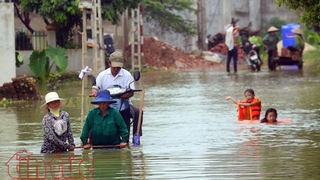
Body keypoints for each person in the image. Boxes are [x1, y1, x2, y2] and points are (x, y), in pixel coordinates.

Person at [90, 51, 143, 143]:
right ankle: (89, 138)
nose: (116, 69)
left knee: (139, 112)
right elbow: (95, 88)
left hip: (124, 102)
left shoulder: (127, 75)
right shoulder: (102, 75)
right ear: (109, 63)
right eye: (114, 67)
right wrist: (94, 92)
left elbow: (131, 92)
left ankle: (136, 137)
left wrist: (123, 95)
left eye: (118, 67)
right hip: (105, 103)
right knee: (93, 115)